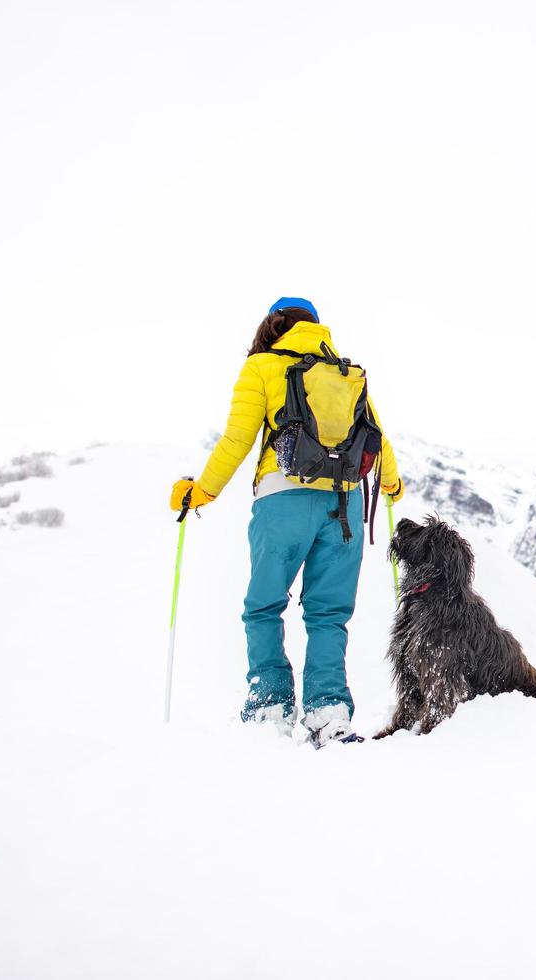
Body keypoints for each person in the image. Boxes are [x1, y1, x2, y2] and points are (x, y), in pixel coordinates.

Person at [170, 297, 403, 748]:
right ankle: (329, 715)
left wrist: (202, 492)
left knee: (264, 605)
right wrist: (392, 486)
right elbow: (378, 436)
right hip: (345, 504)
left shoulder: (262, 366)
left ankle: (269, 708)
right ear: (317, 327)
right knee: (329, 614)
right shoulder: (342, 370)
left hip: (283, 500)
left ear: (273, 325)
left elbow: (237, 439)